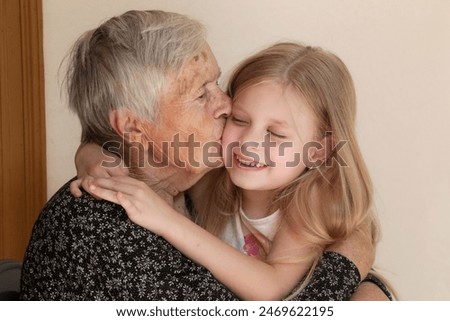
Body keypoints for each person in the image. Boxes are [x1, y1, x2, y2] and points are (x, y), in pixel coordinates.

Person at [20, 9, 389, 300]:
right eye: (201, 94)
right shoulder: (107, 235)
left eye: (218, 82)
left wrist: (363, 270)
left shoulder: (191, 183)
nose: (226, 104)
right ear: (134, 127)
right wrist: (351, 264)